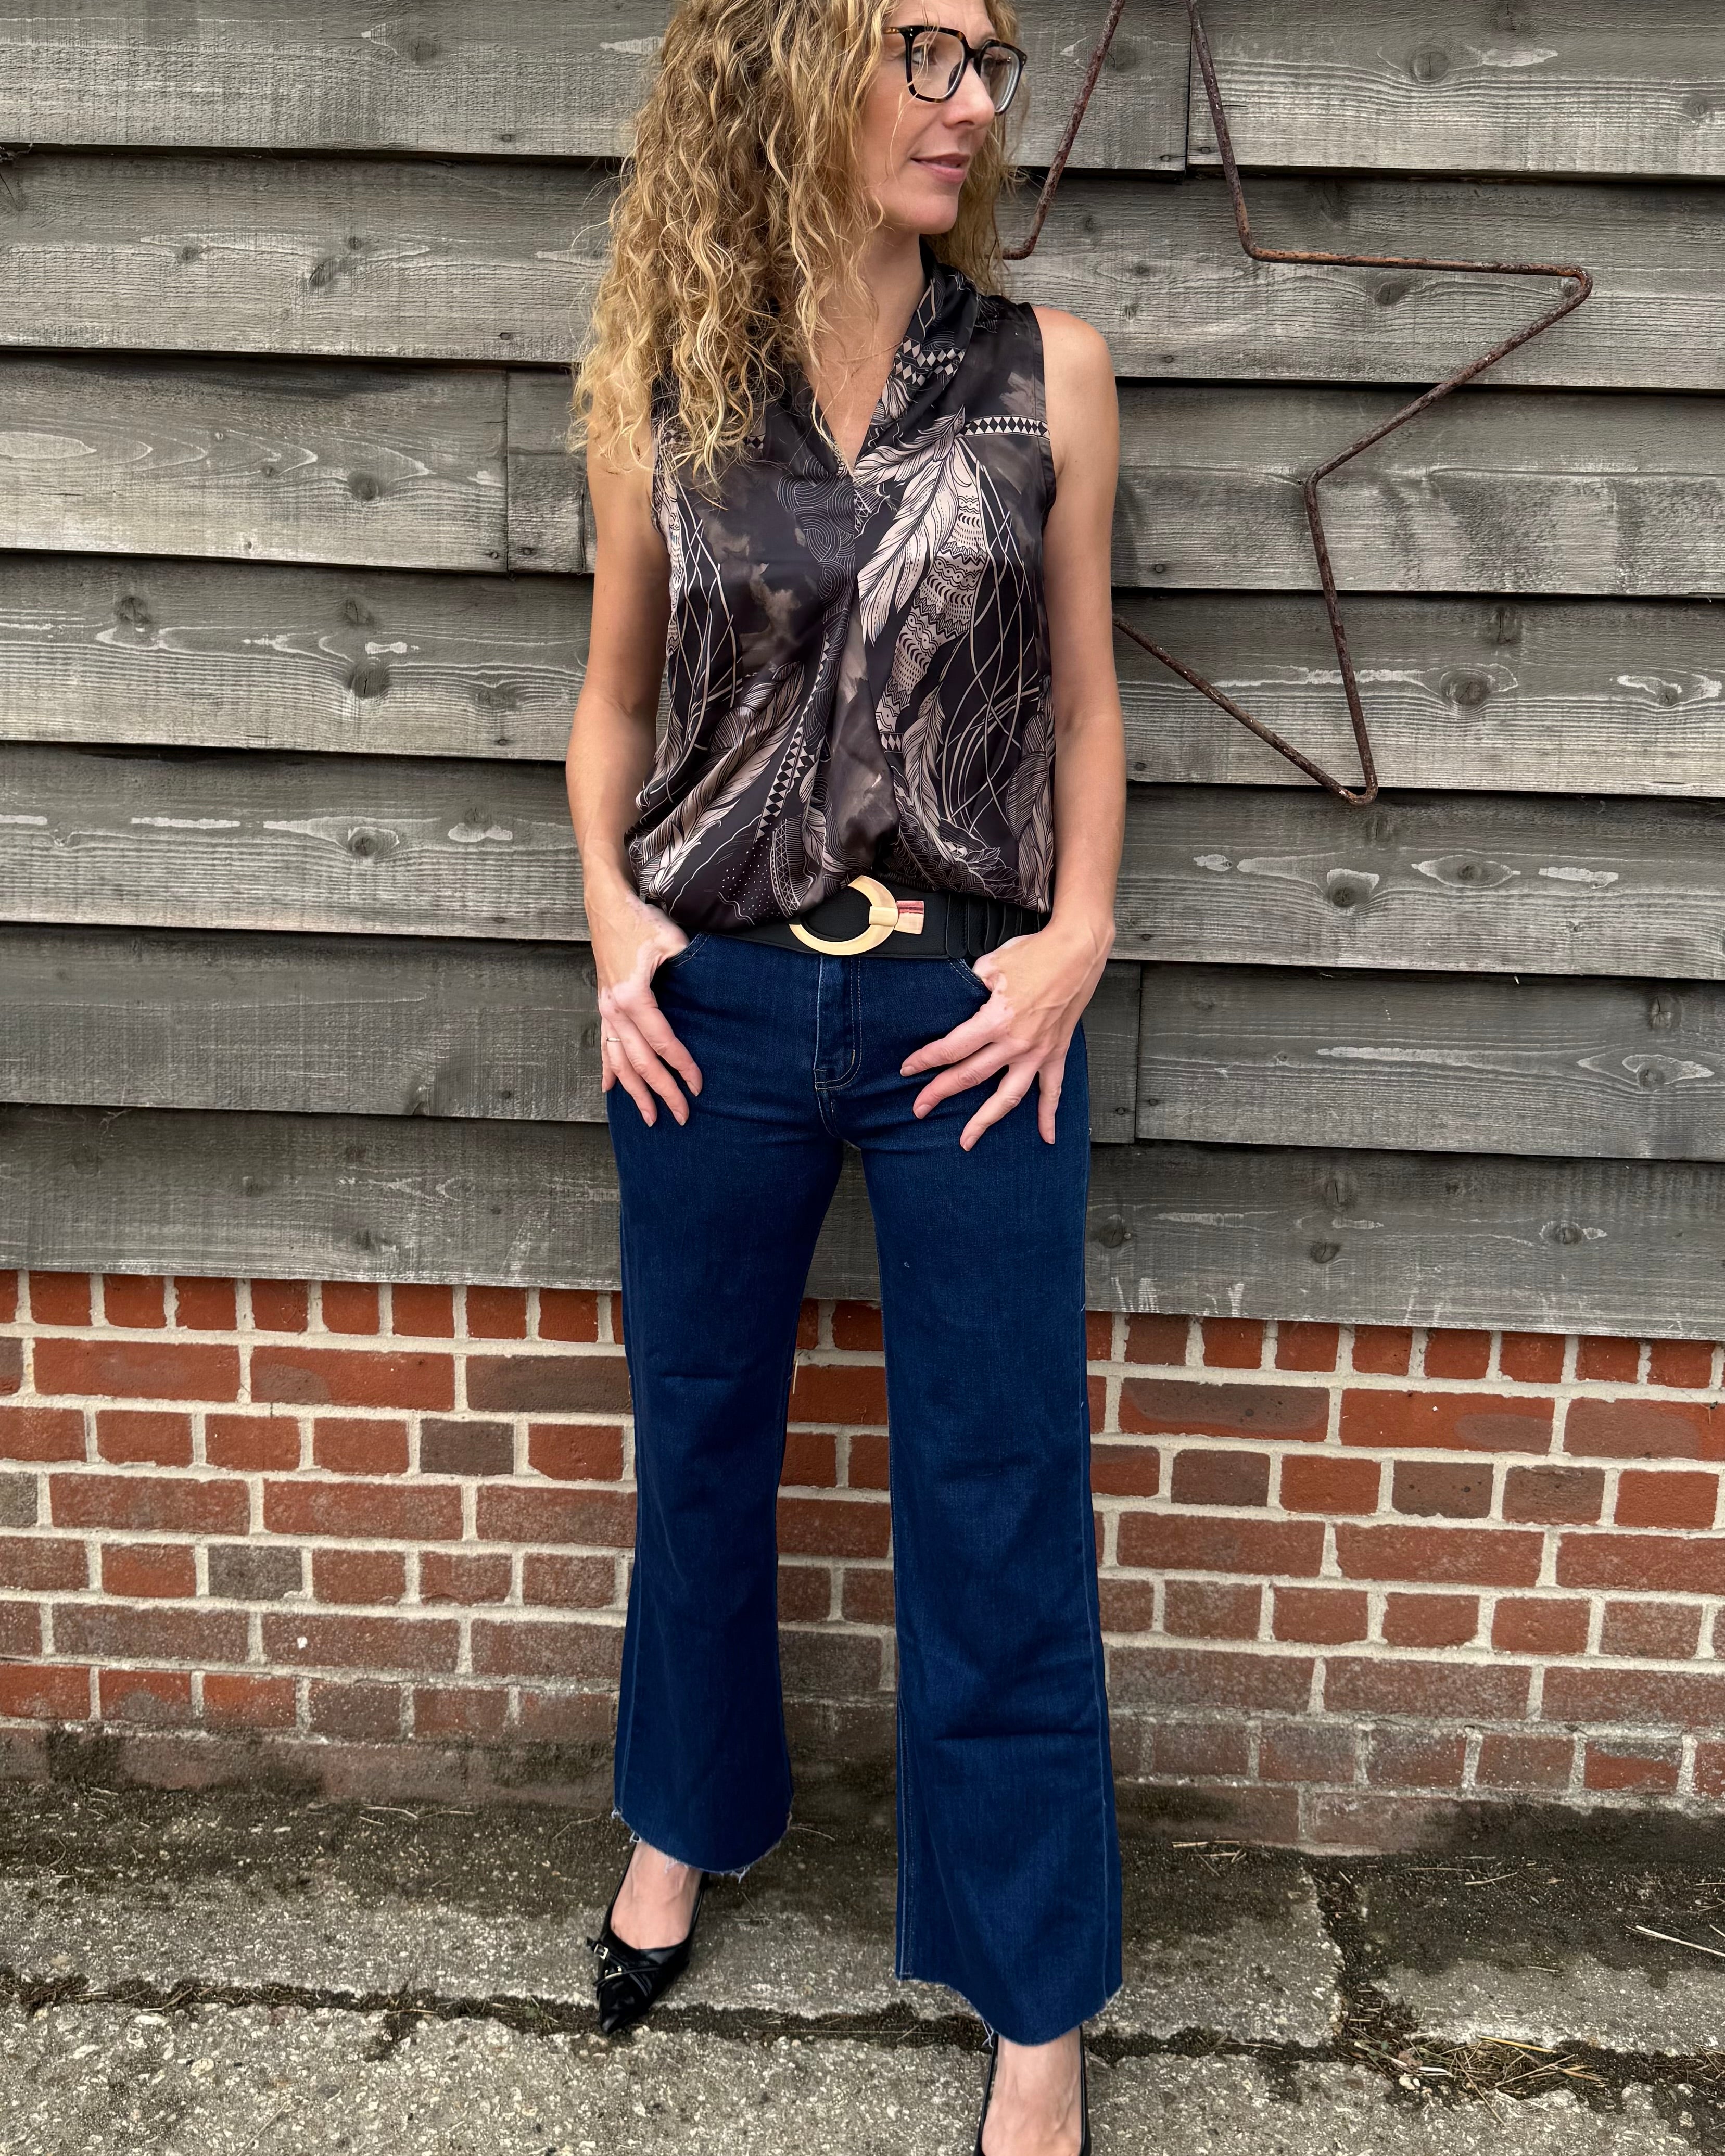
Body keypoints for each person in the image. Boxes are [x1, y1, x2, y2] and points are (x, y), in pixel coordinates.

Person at [563, 2, 1126, 2147]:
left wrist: (1076, 934)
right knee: (698, 1440)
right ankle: (680, 1821)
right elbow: (610, 707)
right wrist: (617, 922)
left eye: (991, 57)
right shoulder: (664, 385)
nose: (968, 97)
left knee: (996, 1495)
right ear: (791, 62)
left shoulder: (1046, 370)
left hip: (975, 1015)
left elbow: (1081, 707)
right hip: (705, 1009)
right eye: (924, 46)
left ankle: (1034, 1996)